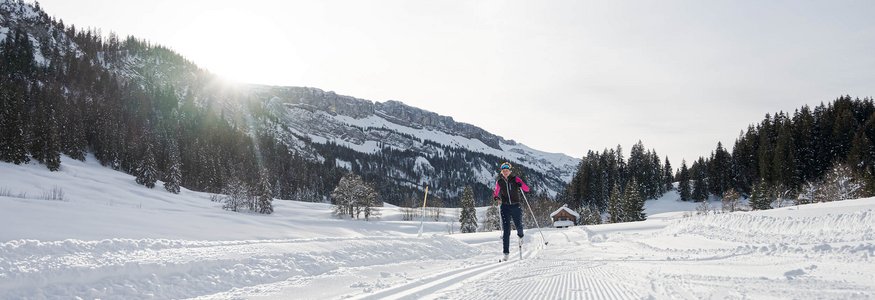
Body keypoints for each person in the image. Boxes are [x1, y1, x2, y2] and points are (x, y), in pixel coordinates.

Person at [492, 162, 530, 261]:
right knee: (506, 231)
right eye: (503, 171)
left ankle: (521, 236)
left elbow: (526, 189)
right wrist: (496, 198)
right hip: (505, 207)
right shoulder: (499, 181)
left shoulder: (515, 179)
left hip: (516, 206)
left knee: (519, 226)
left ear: (510, 171)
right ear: (502, 172)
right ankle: (505, 253)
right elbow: (495, 192)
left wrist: (520, 184)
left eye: (507, 170)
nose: (505, 172)